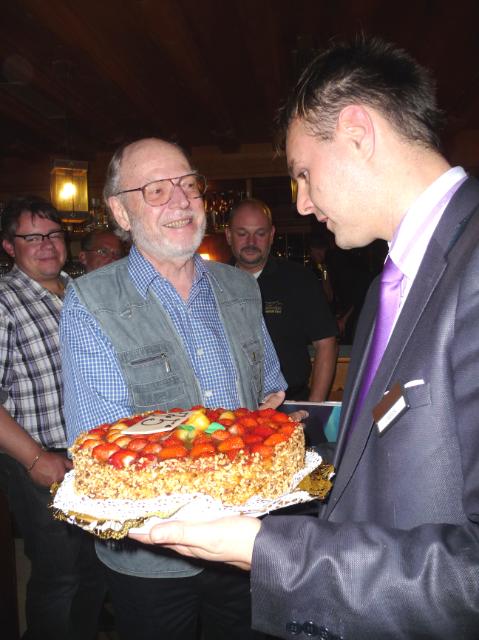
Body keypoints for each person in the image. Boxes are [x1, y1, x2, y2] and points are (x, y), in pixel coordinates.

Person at [130, 37, 479, 639]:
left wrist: (267, 550)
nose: (302, 201)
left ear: (357, 131)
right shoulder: (385, 289)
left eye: (302, 173)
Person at [59, 137, 287, 640]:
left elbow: (268, 393)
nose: (181, 201)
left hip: (246, 542)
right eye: (157, 190)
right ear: (121, 211)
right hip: (152, 553)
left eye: (188, 186)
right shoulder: (89, 301)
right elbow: (103, 447)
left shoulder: (240, 286)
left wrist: (277, 434)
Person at [0, 196, 105, 640]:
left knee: (96, 575)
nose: (46, 245)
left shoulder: (82, 292)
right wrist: (34, 458)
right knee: (59, 580)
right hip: (40, 459)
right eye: (32, 237)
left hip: (94, 458)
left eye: (54, 234)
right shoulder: (3, 303)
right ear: (9, 246)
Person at [225, 198, 337, 401]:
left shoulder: (299, 279)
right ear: (228, 235)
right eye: (242, 234)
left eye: (260, 233)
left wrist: (311, 410)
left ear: (272, 235)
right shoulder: (211, 283)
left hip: (289, 404)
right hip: (230, 408)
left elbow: (326, 344)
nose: (251, 242)